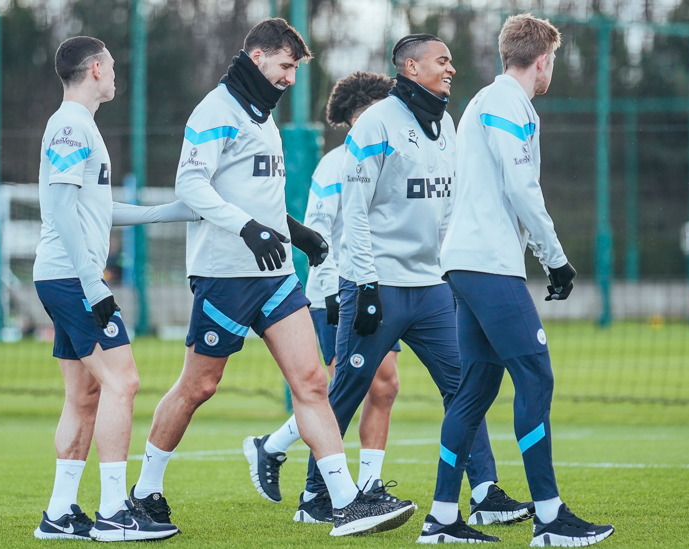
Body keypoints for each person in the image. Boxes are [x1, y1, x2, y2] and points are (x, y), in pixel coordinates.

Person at [128, 18, 416, 537]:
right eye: (285, 67)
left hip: (277, 275)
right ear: (257, 56)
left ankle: (345, 500)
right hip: (225, 275)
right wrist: (247, 230)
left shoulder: (263, 119)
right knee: (199, 386)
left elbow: (258, 200)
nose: (289, 78)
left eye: (294, 70)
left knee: (312, 382)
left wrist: (297, 233)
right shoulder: (216, 110)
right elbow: (190, 185)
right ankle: (145, 491)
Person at [298, 34, 533, 532]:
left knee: (463, 388)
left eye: (451, 60)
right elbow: (355, 216)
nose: (451, 68)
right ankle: (315, 495)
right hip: (378, 286)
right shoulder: (376, 123)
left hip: (431, 290)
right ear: (410, 66)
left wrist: (451, 272)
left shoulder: (446, 123)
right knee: (347, 390)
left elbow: (446, 210)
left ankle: (486, 492)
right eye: (441, 60)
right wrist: (361, 285)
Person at [421, 14, 614, 545]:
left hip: (465, 263)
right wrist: (555, 258)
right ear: (543, 60)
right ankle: (550, 519)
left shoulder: (482, 101)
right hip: (487, 265)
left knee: (474, 392)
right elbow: (522, 188)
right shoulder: (511, 102)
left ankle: (441, 519)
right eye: (553, 61)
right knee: (536, 377)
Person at [31, 36, 196, 543]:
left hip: (62, 276)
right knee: (123, 383)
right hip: (70, 277)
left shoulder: (83, 126)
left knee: (84, 395)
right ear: (97, 69)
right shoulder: (70, 124)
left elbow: (94, 210)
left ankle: (60, 515)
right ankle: (112, 512)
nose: (117, 74)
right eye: (114, 66)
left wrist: (168, 211)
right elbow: (61, 209)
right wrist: (92, 283)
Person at [241, 72, 405, 517]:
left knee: (382, 386)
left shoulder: (389, 158)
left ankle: (359, 481)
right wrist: (334, 292)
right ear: (360, 116)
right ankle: (315, 491)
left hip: (377, 288)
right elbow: (317, 231)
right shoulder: (337, 164)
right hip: (337, 294)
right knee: (341, 387)